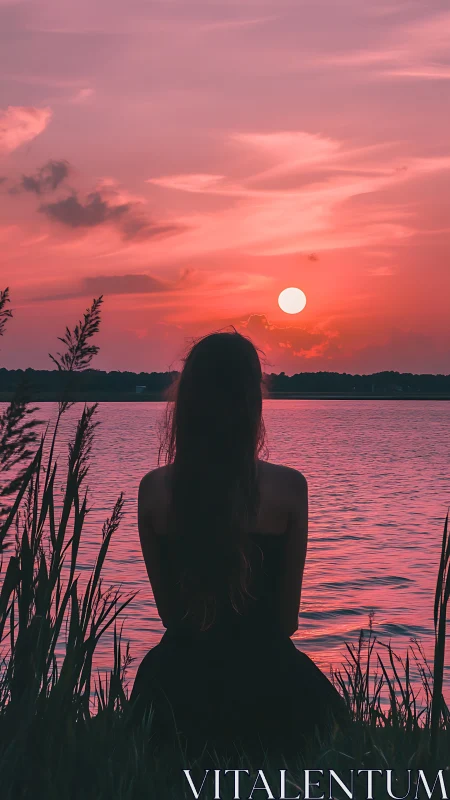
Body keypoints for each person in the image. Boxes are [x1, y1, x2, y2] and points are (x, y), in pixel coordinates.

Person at [130, 331, 349, 757]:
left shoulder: (154, 491)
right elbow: (285, 622)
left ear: (187, 401)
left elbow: (171, 617)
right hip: (271, 686)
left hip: (178, 687)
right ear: (253, 402)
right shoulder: (289, 489)